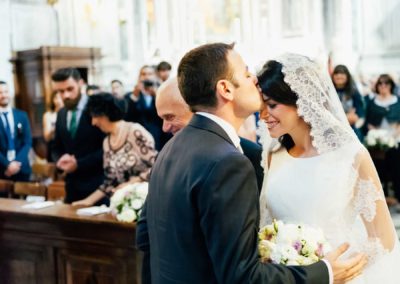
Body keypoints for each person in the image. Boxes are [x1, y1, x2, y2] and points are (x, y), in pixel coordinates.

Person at [137, 43, 366, 284]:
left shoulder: (170, 150)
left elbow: (146, 239)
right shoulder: (228, 163)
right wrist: (325, 273)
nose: (254, 80)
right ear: (225, 89)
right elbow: (243, 276)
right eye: (246, 74)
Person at [257, 54, 400, 283]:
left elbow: (383, 238)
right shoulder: (272, 153)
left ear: (303, 102)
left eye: (272, 105)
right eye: (261, 105)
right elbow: (265, 221)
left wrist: (338, 270)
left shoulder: (351, 156)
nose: (263, 115)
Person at [72, 93, 157, 207]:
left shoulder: (135, 131)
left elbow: (157, 166)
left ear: (105, 114)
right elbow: (109, 181)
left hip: (147, 201)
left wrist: (131, 183)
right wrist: (88, 201)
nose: (93, 122)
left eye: (95, 116)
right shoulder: (106, 142)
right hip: (125, 204)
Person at [51, 68, 106, 204]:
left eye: (70, 89)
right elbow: (56, 146)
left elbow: (108, 148)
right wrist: (60, 160)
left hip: (98, 186)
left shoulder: (98, 107)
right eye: (61, 91)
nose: (66, 96)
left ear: (81, 84)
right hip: (72, 187)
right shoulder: (61, 113)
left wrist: (79, 164)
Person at [124, 65, 171, 151]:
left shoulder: (162, 93)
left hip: (159, 140)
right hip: (138, 140)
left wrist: (157, 95)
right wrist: (135, 96)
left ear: (155, 76)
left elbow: (167, 115)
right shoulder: (132, 96)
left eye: (150, 74)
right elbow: (127, 119)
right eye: (143, 74)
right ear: (139, 77)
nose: (146, 77)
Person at [0, 81, 32, 184]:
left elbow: (27, 142)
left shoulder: (22, 115)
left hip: (22, 168)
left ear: (10, 93)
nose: (4, 95)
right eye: (0, 92)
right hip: (2, 170)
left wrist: (16, 164)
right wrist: (7, 164)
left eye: (6, 91)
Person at [331, 65, 365, 141]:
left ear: (347, 76)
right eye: (336, 73)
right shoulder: (328, 92)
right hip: (333, 129)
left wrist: (353, 117)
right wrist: (346, 117)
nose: (339, 76)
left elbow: (359, 113)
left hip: (351, 129)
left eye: (342, 73)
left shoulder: (354, 92)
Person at [43, 90, 64, 161]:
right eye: (56, 98)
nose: (58, 101)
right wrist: (56, 127)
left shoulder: (69, 113)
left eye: (60, 97)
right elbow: (47, 137)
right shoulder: (48, 115)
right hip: (53, 146)